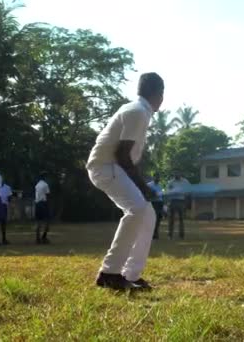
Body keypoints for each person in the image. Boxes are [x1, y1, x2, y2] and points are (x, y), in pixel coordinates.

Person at [86, 72, 164, 290]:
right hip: (106, 167)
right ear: (159, 94)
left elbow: (125, 155)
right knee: (138, 209)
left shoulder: (136, 109)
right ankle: (109, 273)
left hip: (112, 167)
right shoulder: (138, 112)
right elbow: (122, 154)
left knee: (147, 214)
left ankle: (130, 274)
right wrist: (143, 187)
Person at [167, 174, 190, 240]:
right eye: (175, 172)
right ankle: (170, 235)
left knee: (181, 219)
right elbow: (167, 191)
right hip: (172, 201)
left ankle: (181, 235)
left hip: (181, 201)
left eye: (178, 172)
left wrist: (185, 198)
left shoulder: (185, 181)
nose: (176, 174)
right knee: (171, 219)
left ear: (180, 173)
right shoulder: (171, 182)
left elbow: (188, 190)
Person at [34, 172, 51, 244]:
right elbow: (48, 194)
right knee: (47, 221)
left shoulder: (37, 185)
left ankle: (37, 238)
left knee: (38, 221)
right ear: (45, 177)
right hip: (43, 203)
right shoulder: (45, 184)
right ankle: (44, 237)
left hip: (37, 203)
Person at [147, 174, 163, 240]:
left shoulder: (160, 185)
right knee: (152, 219)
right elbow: (147, 194)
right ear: (153, 177)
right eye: (156, 176)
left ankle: (155, 234)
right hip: (153, 203)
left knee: (158, 219)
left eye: (158, 177)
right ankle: (151, 234)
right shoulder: (149, 185)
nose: (157, 178)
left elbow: (161, 195)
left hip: (159, 203)